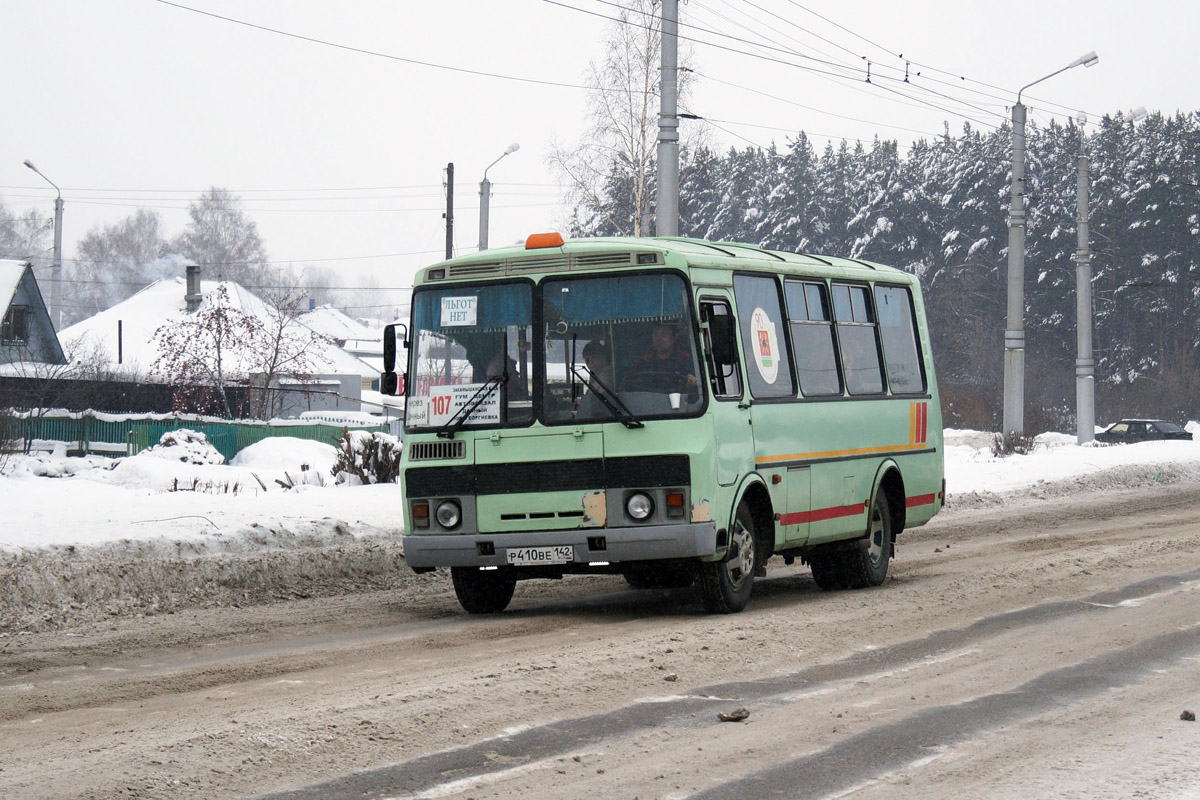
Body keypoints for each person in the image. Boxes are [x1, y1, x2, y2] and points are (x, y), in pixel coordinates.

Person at [630, 322, 697, 394]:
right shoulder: (643, 362)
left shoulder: (686, 360)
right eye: (655, 334)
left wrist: (693, 382)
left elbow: (698, 385)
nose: (658, 339)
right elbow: (631, 387)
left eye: (664, 334)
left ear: (674, 338)